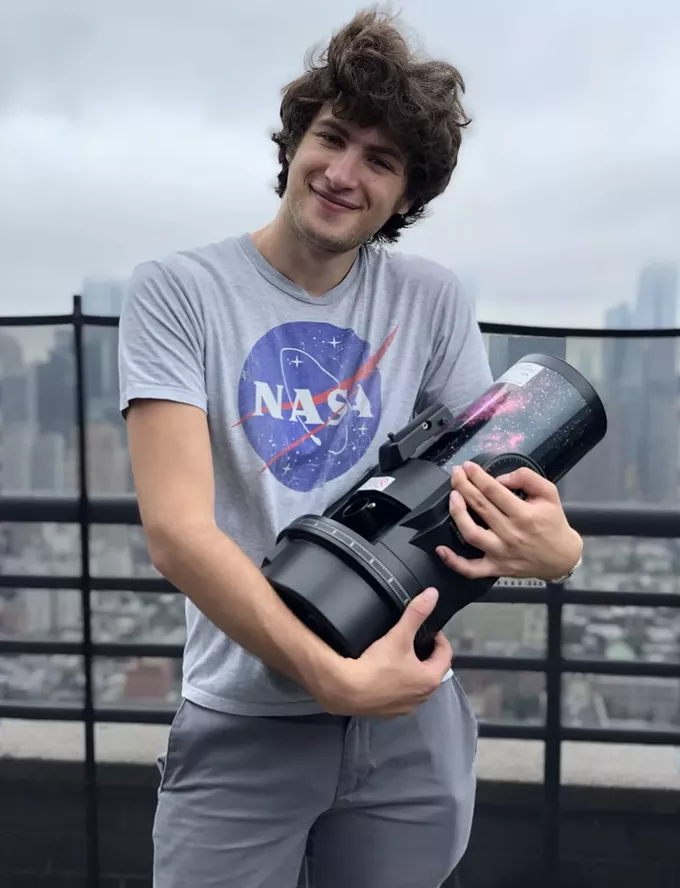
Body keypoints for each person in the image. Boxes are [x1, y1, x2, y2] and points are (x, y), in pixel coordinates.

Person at [118, 9, 583, 888]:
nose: (342, 173)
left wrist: (555, 554)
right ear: (294, 143)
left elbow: (482, 481)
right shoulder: (178, 292)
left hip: (408, 718)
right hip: (245, 714)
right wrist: (328, 676)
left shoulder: (431, 299)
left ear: (407, 196)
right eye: (331, 138)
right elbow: (177, 534)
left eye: (380, 160)